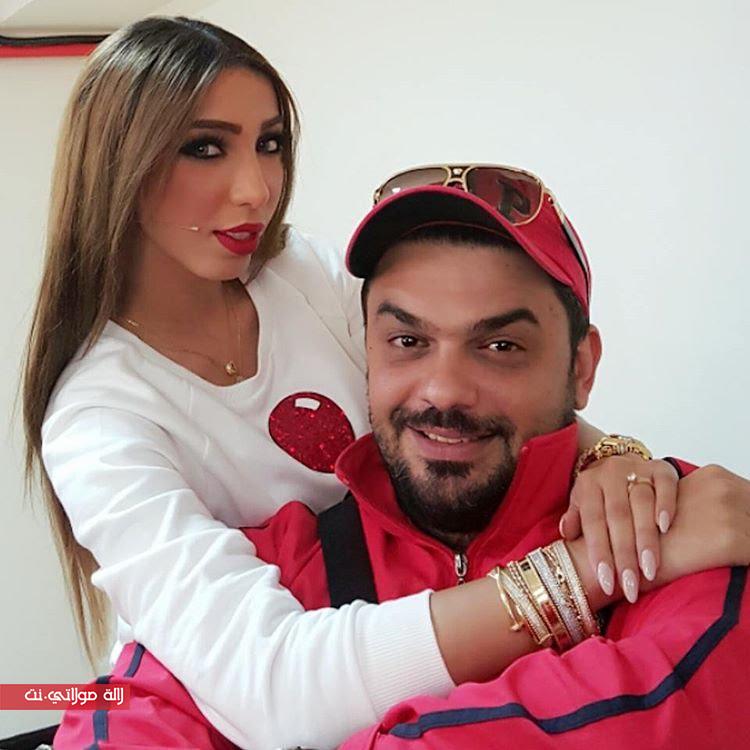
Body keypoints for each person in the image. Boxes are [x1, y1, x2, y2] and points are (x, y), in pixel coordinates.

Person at [24, 17, 741, 750]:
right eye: (205, 148)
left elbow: (469, 403)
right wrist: (583, 573)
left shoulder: (298, 275)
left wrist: (617, 463)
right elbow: (269, 687)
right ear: (119, 163)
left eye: (270, 143)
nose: (256, 189)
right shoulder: (97, 420)